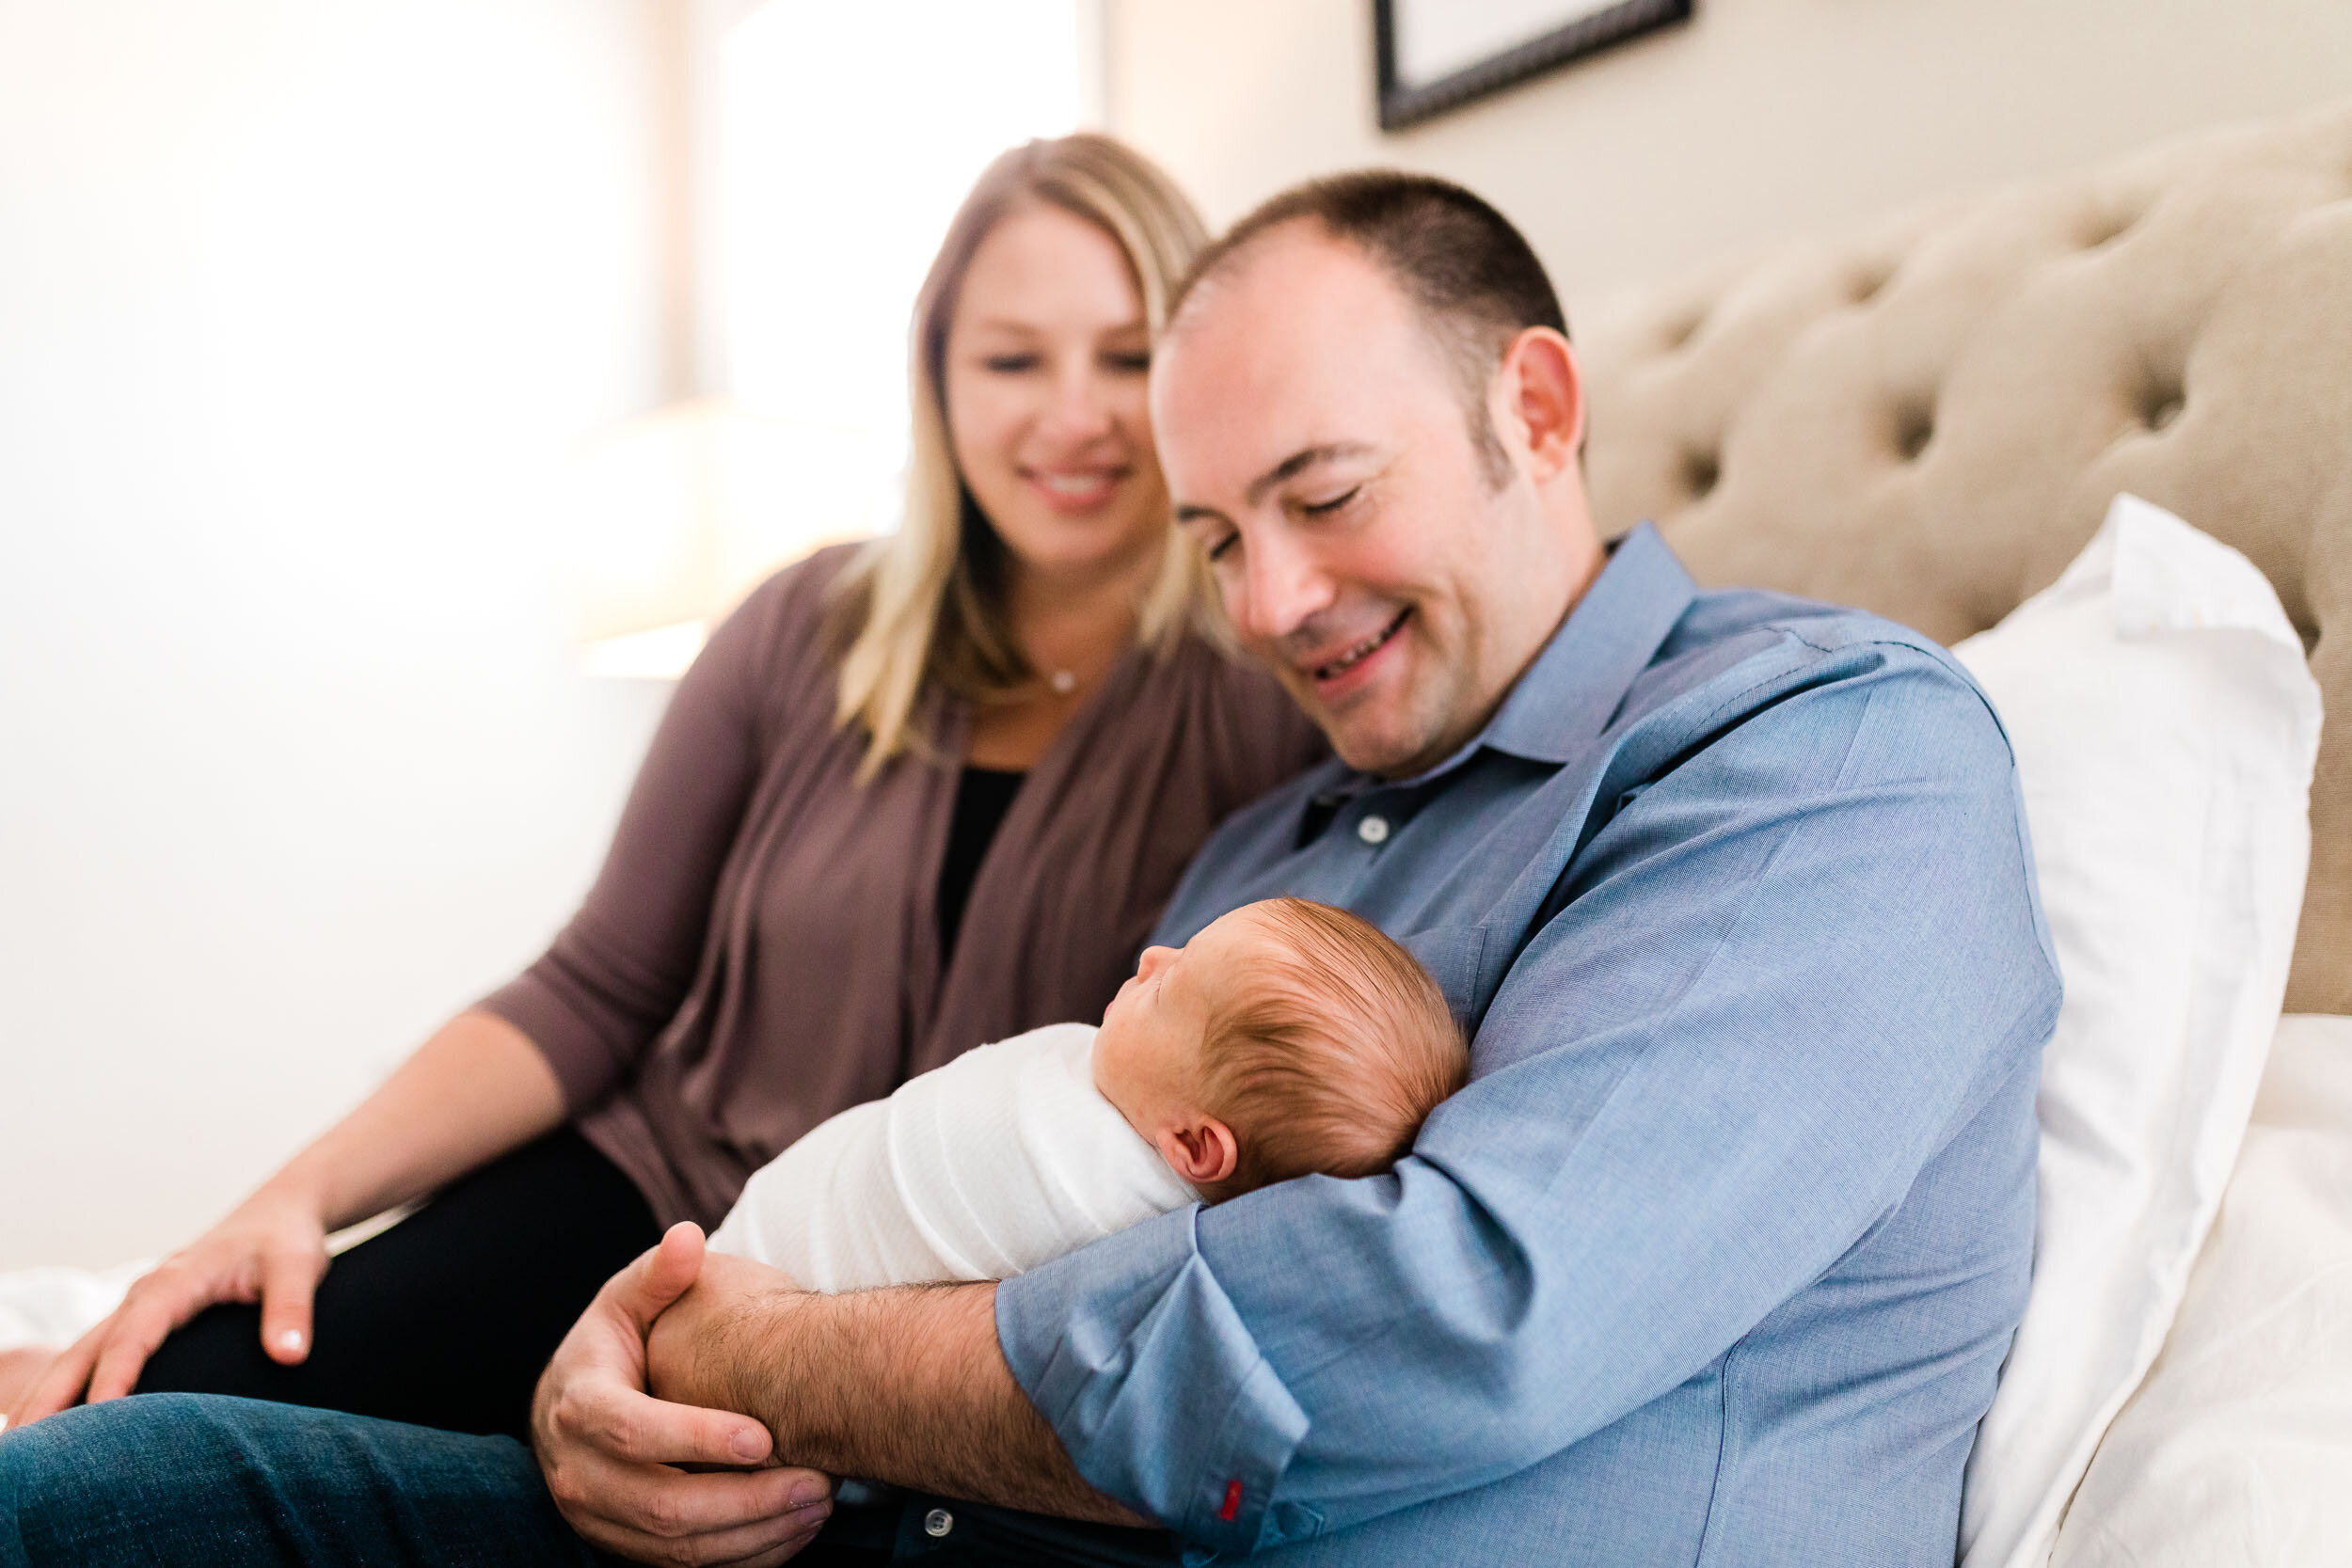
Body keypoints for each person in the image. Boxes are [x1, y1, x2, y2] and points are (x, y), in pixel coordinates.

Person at [0, 171, 2060, 1568]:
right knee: (121, 1476)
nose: (1270, 596)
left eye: (1321, 494)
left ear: (1531, 404)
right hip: (857, 1488)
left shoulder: (1806, 757)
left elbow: (1455, 1314)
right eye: (1214, 533)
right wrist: (604, 1390)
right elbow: (909, 1158)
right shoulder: (1271, 834)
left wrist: (739, 1356)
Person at [1, 135, 1325, 1443]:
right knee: (120, 1405)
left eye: (1129, 354)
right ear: (936, 378)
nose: (1074, 414)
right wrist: (293, 1195)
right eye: (1012, 358)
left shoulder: (1273, 699)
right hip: (632, 1197)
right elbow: (594, 985)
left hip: (900, 1315)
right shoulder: (801, 623)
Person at [710, 896, 1468, 1291]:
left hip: (776, 1263)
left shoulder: (1092, 1205)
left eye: (1171, 991)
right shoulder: (1141, 1095)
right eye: (1184, 947)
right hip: (751, 1239)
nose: (1152, 957)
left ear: (1196, 1145)